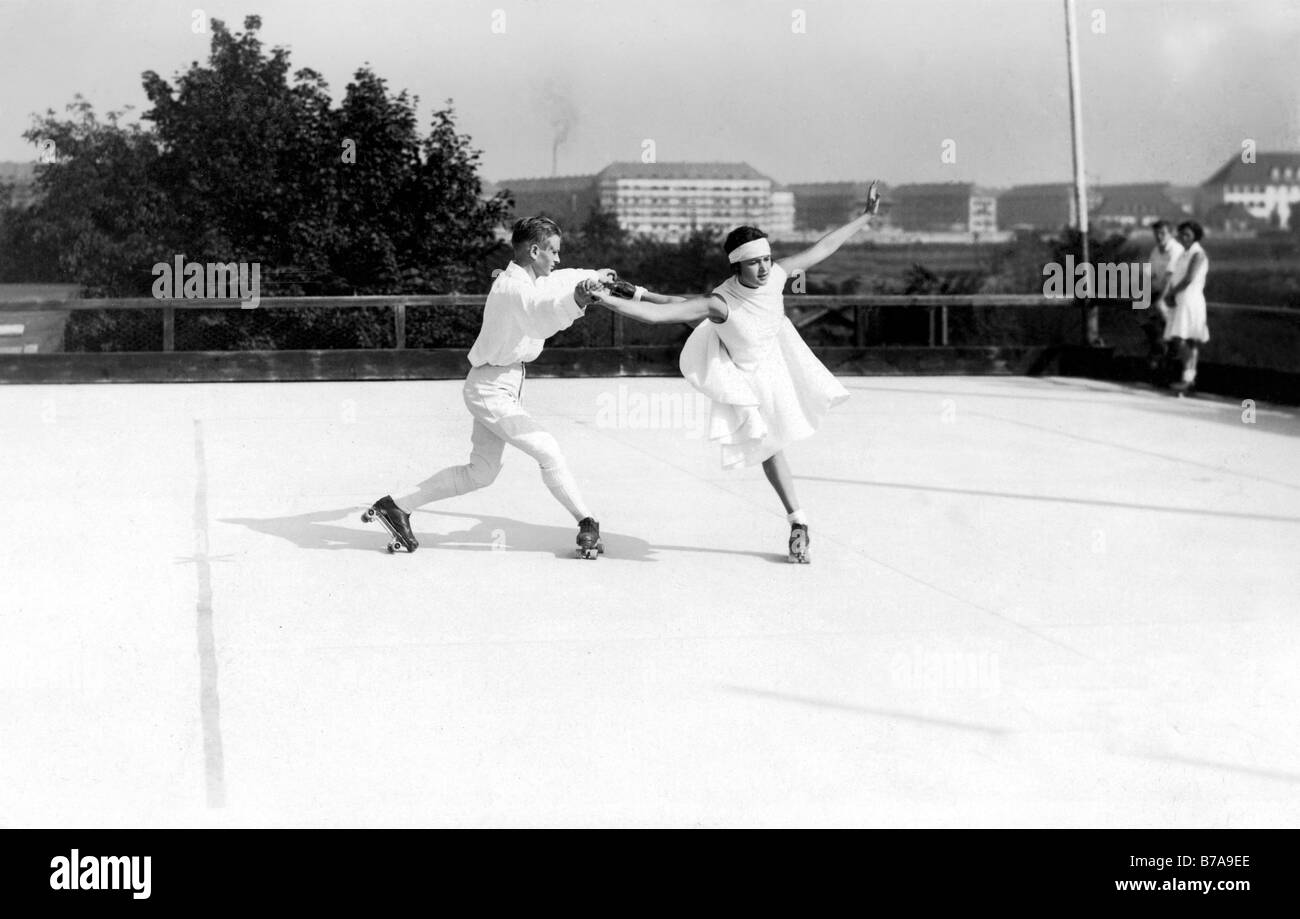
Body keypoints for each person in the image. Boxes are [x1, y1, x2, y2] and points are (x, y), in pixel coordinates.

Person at [587, 182, 882, 563]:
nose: (763, 268)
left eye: (766, 259)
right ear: (737, 264)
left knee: (694, 312)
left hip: (778, 360)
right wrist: (605, 300)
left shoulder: (775, 275)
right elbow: (662, 316)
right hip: (740, 369)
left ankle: (797, 523)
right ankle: (799, 523)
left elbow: (822, 248)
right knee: (768, 444)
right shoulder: (721, 301)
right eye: (754, 262)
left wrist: (866, 215)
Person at [363, 216, 619, 557]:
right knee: (547, 450)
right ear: (534, 250)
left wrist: (593, 276)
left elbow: (560, 278)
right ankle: (587, 521)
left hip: (499, 383)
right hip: (490, 388)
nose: (558, 258)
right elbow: (539, 320)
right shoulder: (513, 289)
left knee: (480, 473)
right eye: (553, 251)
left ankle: (395, 506)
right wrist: (579, 299)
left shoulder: (528, 279)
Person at [1161, 220, 1210, 395]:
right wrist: (1172, 293)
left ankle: (1188, 379)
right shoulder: (1184, 253)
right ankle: (1189, 380)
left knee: (1182, 339)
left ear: (1195, 236)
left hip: (1190, 300)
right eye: (1181, 234)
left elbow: (1189, 279)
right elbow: (1176, 276)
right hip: (1181, 299)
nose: (1183, 237)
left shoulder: (1198, 254)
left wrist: (1171, 293)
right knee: (1187, 340)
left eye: (1187, 235)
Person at [1145, 219, 1184, 381]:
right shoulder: (1155, 251)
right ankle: (1158, 348)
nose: (1159, 236)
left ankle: (1170, 357)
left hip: (1175, 294)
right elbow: (1149, 274)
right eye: (1156, 233)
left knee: (1169, 325)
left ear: (1171, 234)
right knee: (1140, 312)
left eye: (1163, 233)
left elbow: (1170, 278)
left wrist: (1160, 300)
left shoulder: (1176, 250)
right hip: (1159, 292)